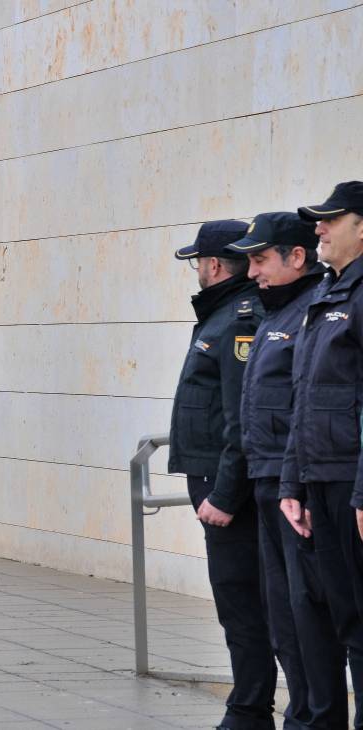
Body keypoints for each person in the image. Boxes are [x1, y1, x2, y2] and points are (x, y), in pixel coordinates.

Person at [229, 213, 348, 728]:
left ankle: (315, 719)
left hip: (295, 485)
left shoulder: (314, 308)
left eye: (260, 260)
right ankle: (301, 715)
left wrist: (295, 481)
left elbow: (310, 406)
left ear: (296, 257)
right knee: (283, 618)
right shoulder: (277, 311)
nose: (252, 272)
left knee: (309, 618)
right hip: (269, 480)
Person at [169, 221, 275, 728]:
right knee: (242, 600)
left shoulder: (238, 318)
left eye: (197, 263)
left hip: (225, 486)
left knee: (241, 600)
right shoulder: (225, 313)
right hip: (217, 480)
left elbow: (241, 418)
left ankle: (249, 710)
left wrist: (227, 496)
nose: (197, 271)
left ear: (213, 265)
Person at [280, 182, 363, 720]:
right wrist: (293, 482)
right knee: (346, 620)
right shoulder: (326, 294)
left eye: (331, 219)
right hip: (322, 482)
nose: (319, 228)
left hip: (352, 485)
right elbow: (303, 397)